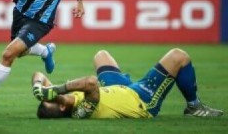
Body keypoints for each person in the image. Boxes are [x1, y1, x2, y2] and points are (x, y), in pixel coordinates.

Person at [32, 48, 224, 118]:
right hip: (140, 99)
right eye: (55, 98)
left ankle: (125, 82)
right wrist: (57, 89)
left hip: (116, 89)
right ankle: (193, 106)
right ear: (63, 108)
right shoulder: (82, 111)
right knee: (179, 56)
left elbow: (38, 74)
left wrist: (38, 88)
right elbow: (91, 83)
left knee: (101, 55)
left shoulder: (66, 101)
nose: (55, 95)